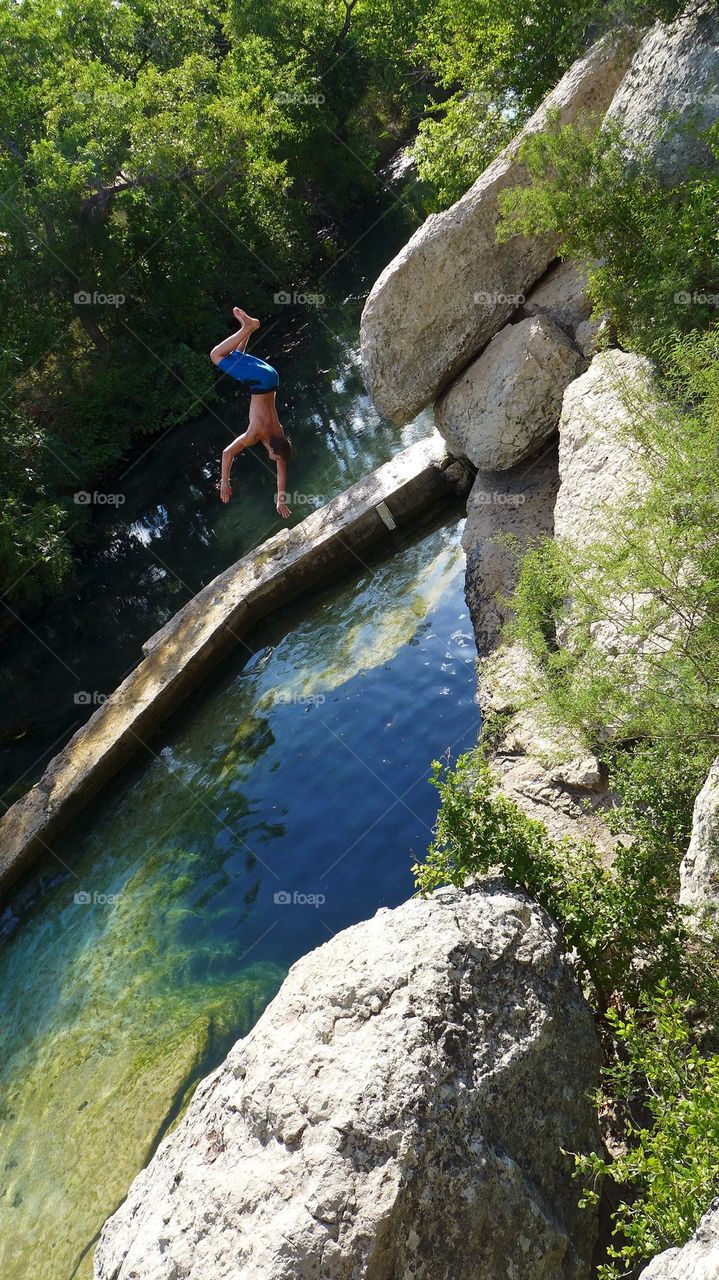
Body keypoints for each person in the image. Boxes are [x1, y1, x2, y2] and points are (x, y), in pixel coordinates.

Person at [210, 307, 292, 517]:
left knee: (236, 356)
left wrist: (280, 499)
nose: (273, 459)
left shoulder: (280, 436)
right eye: (273, 457)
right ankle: (249, 326)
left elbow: (282, 468)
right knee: (216, 355)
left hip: (272, 378)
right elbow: (227, 453)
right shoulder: (256, 434)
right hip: (260, 381)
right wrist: (225, 483)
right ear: (272, 450)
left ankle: (246, 328)